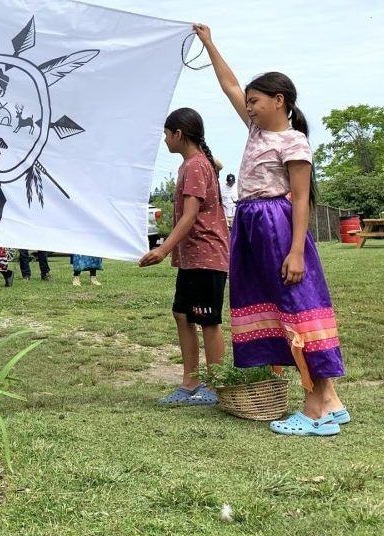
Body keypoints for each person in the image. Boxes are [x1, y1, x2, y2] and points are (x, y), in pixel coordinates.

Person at [195, 23, 347, 436]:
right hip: (251, 226)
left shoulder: (294, 142)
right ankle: (331, 399)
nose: (248, 106)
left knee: (297, 308)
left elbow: (301, 200)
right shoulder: (256, 131)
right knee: (279, 308)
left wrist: (296, 251)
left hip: (278, 227)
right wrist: (209, 42)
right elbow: (229, 85)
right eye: (247, 102)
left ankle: (316, 410)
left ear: (279, 101)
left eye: (256, 101)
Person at [139, 108, 229, 406]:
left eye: (167, 134)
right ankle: (190, 382)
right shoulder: (196, 163)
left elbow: (190, 215)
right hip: (193, 257)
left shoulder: (194, 166)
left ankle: (216, 387)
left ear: (178, 134)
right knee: (182, 314)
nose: (165, 140)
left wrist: (163, 248)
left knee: (208, 320)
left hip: (207, 254)